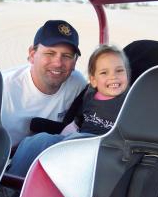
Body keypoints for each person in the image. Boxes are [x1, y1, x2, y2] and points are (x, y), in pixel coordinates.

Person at [8, 44, 130, 177]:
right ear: (93, 80)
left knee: (77, 140)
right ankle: (10, 185)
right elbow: (76, 123)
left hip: (106, 150)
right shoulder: (89, 95)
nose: (113, 77)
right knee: (35, 141)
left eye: (119, 71)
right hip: (78, 144)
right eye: (104, 73)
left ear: (127, 75)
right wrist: (62, 136)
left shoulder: (132, 100)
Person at [1, 20, 87, 147]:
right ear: (32, 54)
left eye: (67, 56)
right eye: (50, 53)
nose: (58, 63)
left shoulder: (77, 85)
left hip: (48, 157)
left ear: (75, 62)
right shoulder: (3, 88)